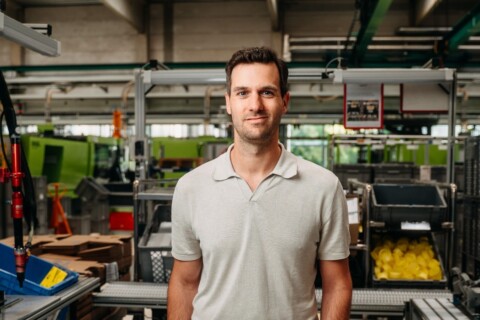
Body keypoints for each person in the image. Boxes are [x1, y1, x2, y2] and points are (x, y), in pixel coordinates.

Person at [167, 46, 352, 320]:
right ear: (228, 102)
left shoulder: (323, 187)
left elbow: (337, 283)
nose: (255, 105)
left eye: (267, 92)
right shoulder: (191, 188)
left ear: (285, 101)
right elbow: (184, 283)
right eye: (243, 93)